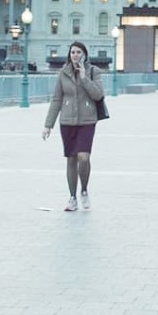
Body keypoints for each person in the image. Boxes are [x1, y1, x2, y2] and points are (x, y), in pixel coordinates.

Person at [42, 41, 105, 212]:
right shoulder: (63, 73)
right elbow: (56, 99)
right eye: (72, 52)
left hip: (87, 120)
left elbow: (98, 94)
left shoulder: (93, 72)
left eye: (78, 52)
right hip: (67, 121)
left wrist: (84, 78)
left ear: (84, 54)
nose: (75, 55)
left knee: (84, 157)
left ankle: (84, 190)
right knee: (71, 159)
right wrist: (48, 125)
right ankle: (72, 197)